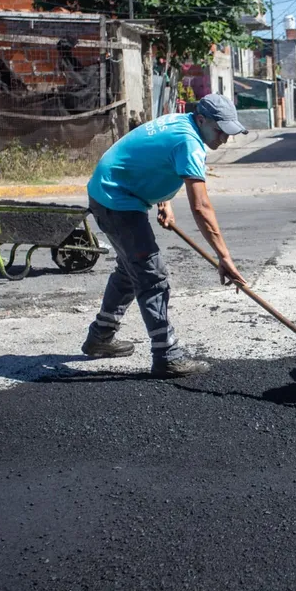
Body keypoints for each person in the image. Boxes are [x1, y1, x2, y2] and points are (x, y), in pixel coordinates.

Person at [82, 93, 248, 379]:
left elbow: (153, 158)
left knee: (129, 270)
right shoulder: (189, 142)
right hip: (116, 199)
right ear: (201, 119)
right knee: (150, 274)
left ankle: (100, 336)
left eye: (228, 132)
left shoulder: (180, 123)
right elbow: (201, 207)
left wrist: (163, 201)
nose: (224, 138)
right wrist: (224, 257)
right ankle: (166, 355)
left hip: (111, 191)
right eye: (220, 130)